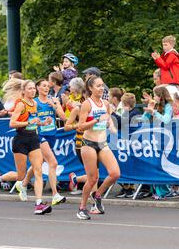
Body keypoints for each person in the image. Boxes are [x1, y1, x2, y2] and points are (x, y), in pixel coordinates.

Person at [0, 80, 53, 215]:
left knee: (38, 171)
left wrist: (42, 123)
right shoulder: (21, 105)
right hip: (21, 140)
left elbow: (34, 123)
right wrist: (28, 122)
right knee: (21, 175)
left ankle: (38, 204)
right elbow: (12, 123)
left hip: (34, 139)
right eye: (29, 89)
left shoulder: (35, 104)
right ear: (23, 91)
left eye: (33, 89)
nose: (32, 91)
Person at [14, 79, 68, 206]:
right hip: (39, 135)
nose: (46, 88)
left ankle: (23, 184)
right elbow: (28, 118)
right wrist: (38, 123)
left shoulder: (54, 100)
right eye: (43, 86)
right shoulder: (34, 102)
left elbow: (64, 118)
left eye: (48, 86)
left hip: (52, 135)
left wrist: (55, 106)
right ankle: (55, 194)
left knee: (37, 164)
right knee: (53, 163)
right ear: (37, 88)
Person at [77, 75, 120, 220]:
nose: (101, 88)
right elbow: (81, 126)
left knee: (115, 173)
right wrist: (96, 120)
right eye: (98, 86)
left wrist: (111, 126)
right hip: (88, 144)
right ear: (90, 88)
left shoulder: (106, 103)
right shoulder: (87, 104)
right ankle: (82, 208)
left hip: (102, 143)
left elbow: (108, 118)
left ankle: (98, 194)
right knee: (92, 178)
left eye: (102, 85)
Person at [112, 93, 142, 198]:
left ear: (125, 104)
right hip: (124, 145)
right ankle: (126, 187)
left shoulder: (135, 112)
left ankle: (130, 188)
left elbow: (123, 123)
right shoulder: (127, 112)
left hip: (134, 145)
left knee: (130, 164)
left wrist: (113, 114)